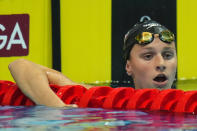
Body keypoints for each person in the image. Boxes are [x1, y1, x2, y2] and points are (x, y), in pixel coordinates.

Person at [8, 19, 177, 107]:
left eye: (168, 55)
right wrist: (57, 109)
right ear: (128, 66)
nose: (161, 63)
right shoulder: (104, 99)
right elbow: (20, 65)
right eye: (148, 56)